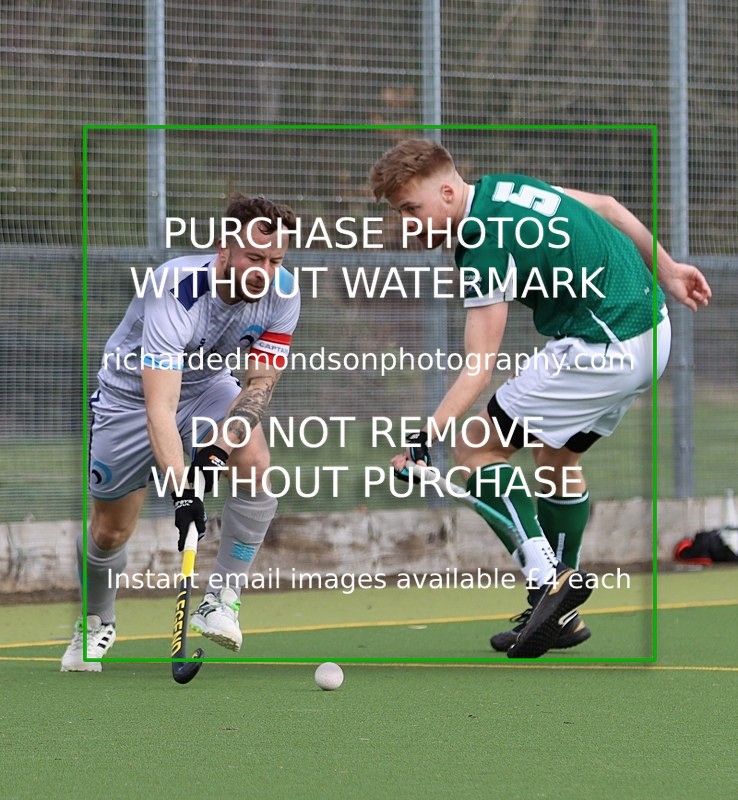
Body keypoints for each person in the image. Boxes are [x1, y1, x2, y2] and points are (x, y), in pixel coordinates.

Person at [369, 139, 711, 658]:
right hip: (651, 331)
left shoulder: (481, 242)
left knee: (476, 448)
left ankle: (547, 580)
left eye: (412, 209)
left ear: (445, 191)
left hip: (604, 343)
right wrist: (669, 270)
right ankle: (562, 615)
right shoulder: (507, 188)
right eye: (401, 213)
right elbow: (609, 207)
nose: (409, 224)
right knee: (557, 459)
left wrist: (426, 437)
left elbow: (479, 366)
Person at [62, 195, 300, 671]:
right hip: (129, 400)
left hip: (208, 387)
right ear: (224, 249)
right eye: (254, 257)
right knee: (110, 531)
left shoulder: (284, 294)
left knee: (253, 460)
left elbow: (257, 386)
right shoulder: (176, 286)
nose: (265, 271)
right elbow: (160, 407)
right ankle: (96, 621)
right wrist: (183, 492)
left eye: (275, 260)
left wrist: (216, 449)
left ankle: (222, 599)